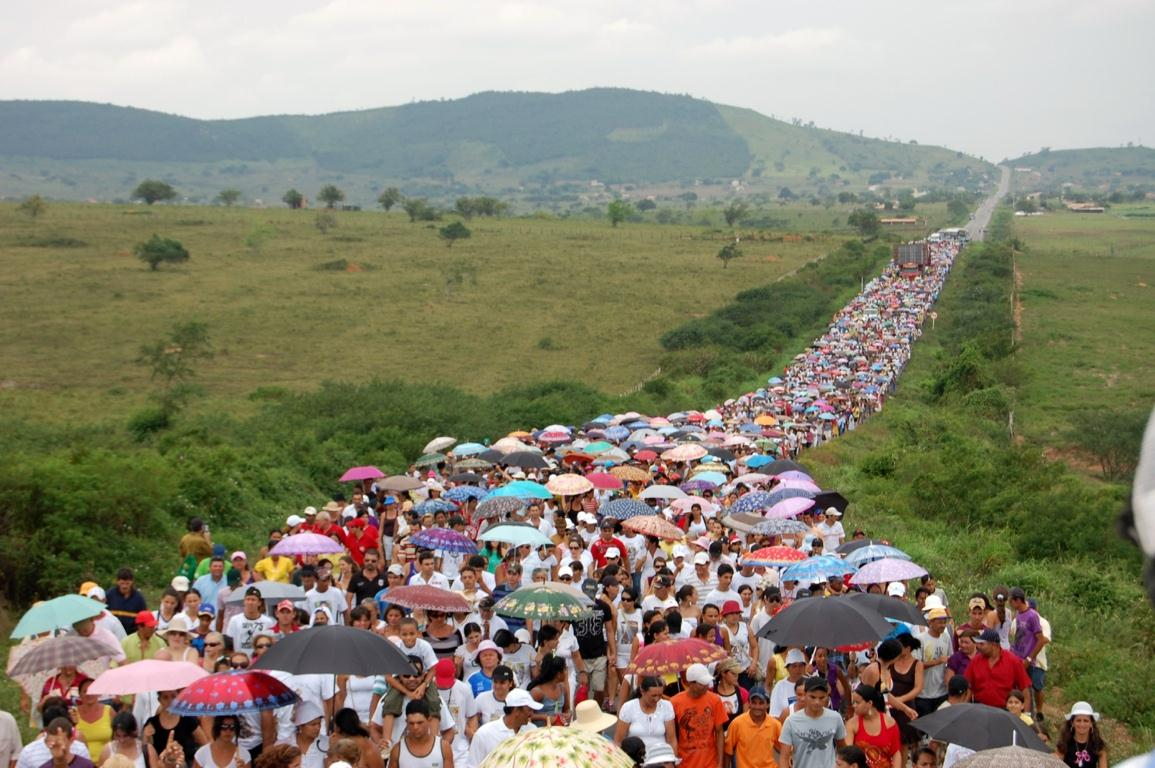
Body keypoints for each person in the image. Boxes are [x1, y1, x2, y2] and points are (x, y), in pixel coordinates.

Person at [777, 677, 846, 768]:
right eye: (812, 697)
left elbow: (843, 749)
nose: (817, 702)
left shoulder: (835, 718)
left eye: (821, 697)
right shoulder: (791, 721)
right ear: (805, 695)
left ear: (827, 697)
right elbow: (784, 757)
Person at [670, 663, 727, 768]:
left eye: (707, 683)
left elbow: (719, 732)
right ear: (690, 683)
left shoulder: (715, 700)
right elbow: (671, 735)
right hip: (685, 762)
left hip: (710, 762)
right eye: (702, 684)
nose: (706, 686)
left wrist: (720, 763)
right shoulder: (675, 702)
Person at [466, 689, 539, 768]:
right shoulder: (484, 734)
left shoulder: (533, 730)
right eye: (529, 710)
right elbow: (473, 765)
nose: (532, 714)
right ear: (516, 711)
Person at [963, 629, 1030, 709]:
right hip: (980, 709)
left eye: (982, 644)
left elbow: (1024, 689)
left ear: (994, 645)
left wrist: (1026, 715)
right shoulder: (975, 661)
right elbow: (968, 688)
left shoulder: (1013, 661)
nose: (978, 647)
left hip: (1004, 710)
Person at [614, 677, 677, 758]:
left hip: (661, 759)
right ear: (642, 692)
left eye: (660, 695)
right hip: (636, 760)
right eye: (653, 696)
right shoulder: (628, 707)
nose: (657, 699)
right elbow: (618, 741)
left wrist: (673, 761)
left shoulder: (667, 706)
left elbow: (671, 740)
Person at [844, 685, 900, 768]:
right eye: (853, 702)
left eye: (857, 702)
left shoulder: (890, 723)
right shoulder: (852, 724)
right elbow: (848, 755)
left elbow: (896, 754)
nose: (854, 705)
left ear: (870, 703)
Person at [724, 686, 781, 768]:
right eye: (754, 702)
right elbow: (728, 751)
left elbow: (785, 750)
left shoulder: (775, 725)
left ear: (767, 705)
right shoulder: (737, 723)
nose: (757, 707)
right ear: (749, 703)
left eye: (761, 703)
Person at [388, 701, 452, 768]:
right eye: (411, 723)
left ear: (429, 720)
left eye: (420, 722)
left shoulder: (444, 747)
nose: (415, 727)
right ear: (406, 722)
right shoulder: (397, 750)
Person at [224, 588, 276, 658]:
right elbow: (229, 643)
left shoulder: (268, 622)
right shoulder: (235, 620)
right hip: (240, 661)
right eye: (248, 599)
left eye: (253, 600)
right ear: (244, 602)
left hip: (261, 659)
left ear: (259, 603)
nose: (250, 602)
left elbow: (271, 643)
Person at [1055, 702, 1107, 768]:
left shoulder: (1098, 745)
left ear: (1091, 723)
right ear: (1072, 723)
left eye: (1086, 721)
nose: (1082, 724)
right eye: (1078, 720)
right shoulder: (1064, 743)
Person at [73, 681, 112, 763]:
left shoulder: (109, 711)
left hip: (106, 764)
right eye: (85, 691)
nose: (89, 694)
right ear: (79, 695)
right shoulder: (73, 713)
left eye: (92, 690)